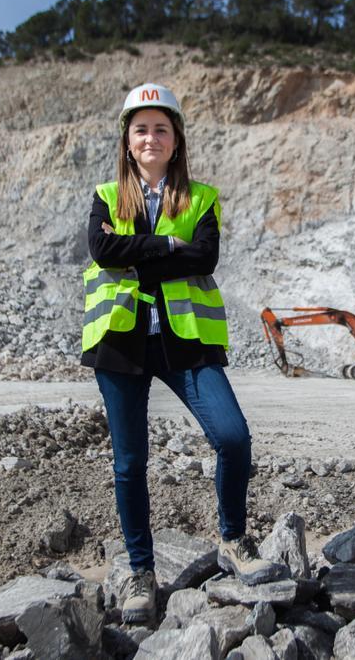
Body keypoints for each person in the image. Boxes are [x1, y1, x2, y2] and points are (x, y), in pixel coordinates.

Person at [82, 83, 289, 623]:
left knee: (233, 436)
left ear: (176, 141)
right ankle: (141, 571)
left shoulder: (201, 199)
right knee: (130, 463)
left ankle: (231, 538)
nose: (151, 137)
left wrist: (142, 255)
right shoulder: (106, 197)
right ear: (128, 141)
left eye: (161, 129)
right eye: (141, 128)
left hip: (185, 343)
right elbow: (103, 251)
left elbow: (207, 257)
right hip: (121, 344)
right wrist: (170, 249)